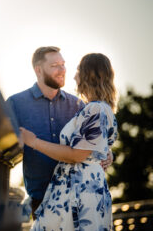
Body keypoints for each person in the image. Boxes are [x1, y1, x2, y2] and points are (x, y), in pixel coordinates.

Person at [6, 46, 113, 219]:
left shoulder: (78, 105)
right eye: (55, 65)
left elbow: (91, 142)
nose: (62, 70)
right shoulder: (15, 104)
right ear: (38, 70)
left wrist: (108, 153)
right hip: (41, 200)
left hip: (77, 197)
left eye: (63, 64)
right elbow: (4, 148)